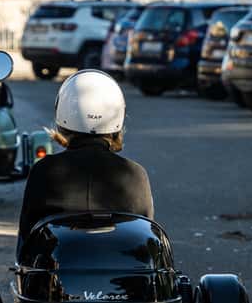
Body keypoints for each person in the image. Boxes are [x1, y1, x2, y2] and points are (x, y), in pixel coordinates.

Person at [16, 69, 154, 256]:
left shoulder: (44, 170)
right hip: (122, 278)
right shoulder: (135, 173)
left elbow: (27, 239)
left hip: (58, 278)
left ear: (62, 112)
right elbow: (145, 238)